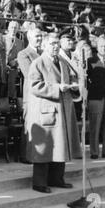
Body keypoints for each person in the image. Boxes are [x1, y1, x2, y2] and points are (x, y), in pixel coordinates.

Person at [26, 33, 81, 193]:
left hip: (62, 109)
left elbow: (70, 80)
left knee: (60, 147)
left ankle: (57, 179)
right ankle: (39, 183)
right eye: (51, 43)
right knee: (44, 148)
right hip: (47, 110)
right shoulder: (38, 62)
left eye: (57, 43)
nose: (55, 46)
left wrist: (74, 87)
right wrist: (57, 88)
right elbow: (34, 86)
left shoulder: (63, 62)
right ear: (44, 45)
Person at [17, 27, 43, 164]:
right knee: (29, 126)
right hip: (31, 96)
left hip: (44, 97)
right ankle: (26, 156)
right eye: (37, 36)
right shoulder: (23, 54)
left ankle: (39, 154)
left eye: (40, 36)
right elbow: (30, 74)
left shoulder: (45, 53)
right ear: (29, 38)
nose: (39, 39)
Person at [4, 21, 25, 100]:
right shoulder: (2, 39)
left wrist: (15, 61)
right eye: (12, 27)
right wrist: (6, 63)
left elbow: (21, 56)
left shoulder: (20, 42)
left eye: (15, 28)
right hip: (2, 65)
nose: (13, 29)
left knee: (13, 75)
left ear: (18, 29)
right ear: (8, 28)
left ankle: (12, 98)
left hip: (13, 66)